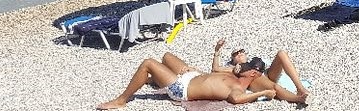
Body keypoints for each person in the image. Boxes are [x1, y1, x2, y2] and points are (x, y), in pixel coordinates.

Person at [97, 52, 273, 109]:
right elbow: (214, 71)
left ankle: (121, 100)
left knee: (148, 63)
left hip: (181, 87)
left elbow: (236, 99)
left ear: (254, 75)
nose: (243, 66)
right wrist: (217, 51)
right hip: (191, 76)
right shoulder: (234, 75)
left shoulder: (238, 88)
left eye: (248, 66)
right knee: (166, 56)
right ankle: (155, 80)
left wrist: (264, 92)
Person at [212, 39, 310, 104]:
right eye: (236, 54)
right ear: (232, 60)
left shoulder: (253, 61)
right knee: (275, 87)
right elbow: (215, 69)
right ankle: (299, 99)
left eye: (241, 51)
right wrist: (217, 50)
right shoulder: (233, 68)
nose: (239, 53)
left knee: (281, 53)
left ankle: (300, 88)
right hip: (255, 80)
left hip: (267, 74)